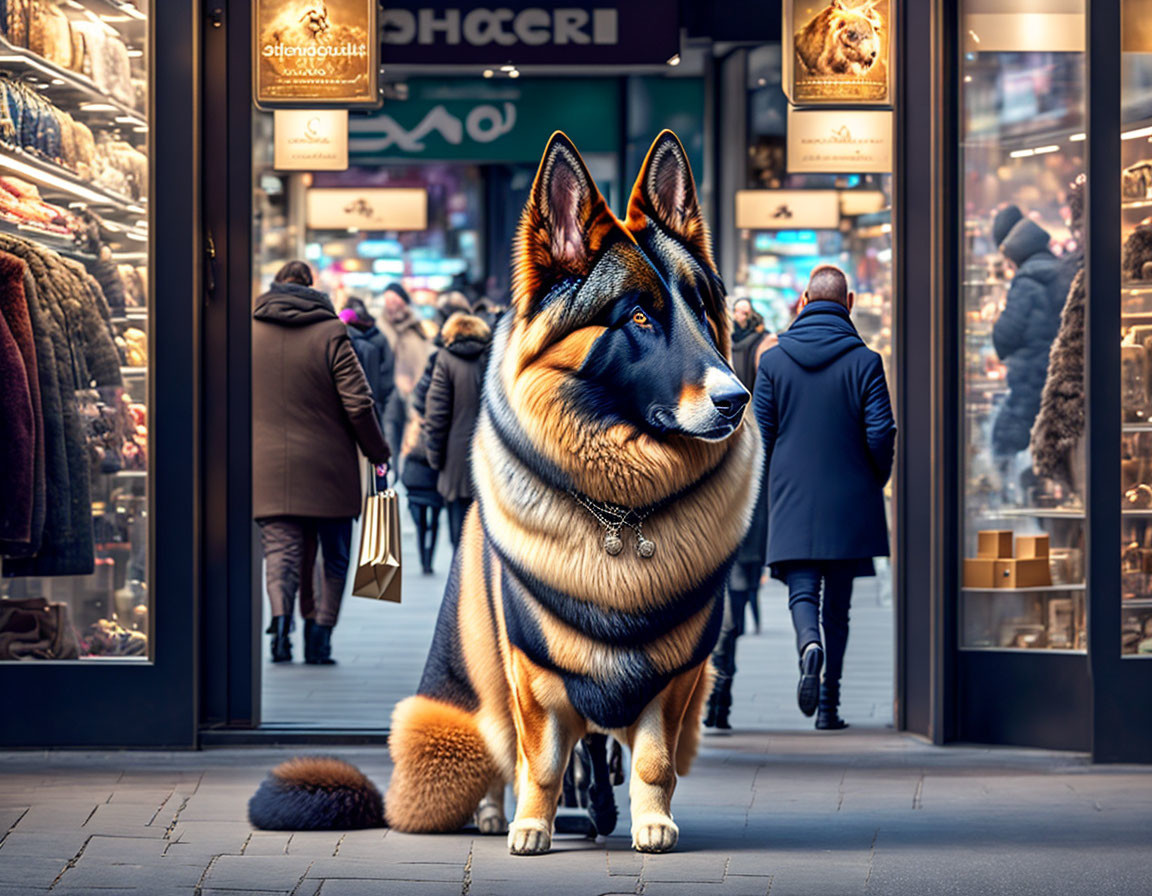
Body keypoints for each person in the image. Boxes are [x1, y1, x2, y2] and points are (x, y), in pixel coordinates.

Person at [754, 265, 895, 730]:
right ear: (849, 303)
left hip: (791, 494)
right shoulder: (867, 362)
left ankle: (806, 645)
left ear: (802, 301)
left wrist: (772, 484)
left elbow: (760, 437)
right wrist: (874, 477)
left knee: (801, 591)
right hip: (849, 496)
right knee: (840, 604)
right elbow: (882, 432)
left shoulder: (773, 363)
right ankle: (829, 707)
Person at [252, 261, 391, 665]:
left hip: (268, 466)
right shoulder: (332, 332)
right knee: (334, 555)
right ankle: (320, 637)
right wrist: (377, 451)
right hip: (328, 466)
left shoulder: (248, 333)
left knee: (281, 550)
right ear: (312, 289)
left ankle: (280, 627)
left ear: (276, 287)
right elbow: (359, 402)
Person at [704, 298, 775, 730]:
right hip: (718, 533)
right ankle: (716, 698)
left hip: (730, 528)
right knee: (726, 622)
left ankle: (718, 698)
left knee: (727, 621)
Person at [989, 206, 1076, 465]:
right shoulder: (1063, 273)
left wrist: (998, 318)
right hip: (1057, 374)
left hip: (1030, 377)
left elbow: (1004, 337)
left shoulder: (1027, 281)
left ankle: (1012, 497)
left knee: (1003, 444)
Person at [423, 310, 492, 549]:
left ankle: (462, 582)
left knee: (459, 535)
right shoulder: (492, 356)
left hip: (456, 459)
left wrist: (435, 457)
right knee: (487, 535)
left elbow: (436, 415)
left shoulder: (445, 358)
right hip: (492, 457)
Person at [377, 283, 432, 473]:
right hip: (389, 393)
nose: (391, 304)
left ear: (404, 302)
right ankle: (392, 477)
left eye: (395, 299)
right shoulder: (381, 328)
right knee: (389, 436)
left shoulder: (416, 330)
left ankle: (405, 475)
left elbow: (423, 360)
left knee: (411, 441)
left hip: (415, 395)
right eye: (387, 300)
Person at [401, 347, 444, 574]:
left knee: (421, 516)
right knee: (434, 515)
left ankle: (423, 557)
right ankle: (427, 559)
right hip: (436, 461)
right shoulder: (445, 381)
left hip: (419, 461)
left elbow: (416, 406)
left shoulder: (423, 387)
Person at [340, 296, 395, 429]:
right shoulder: (378, 336)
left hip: (346, 408)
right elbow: (387, 375)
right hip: (374, 406)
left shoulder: (339, 338)